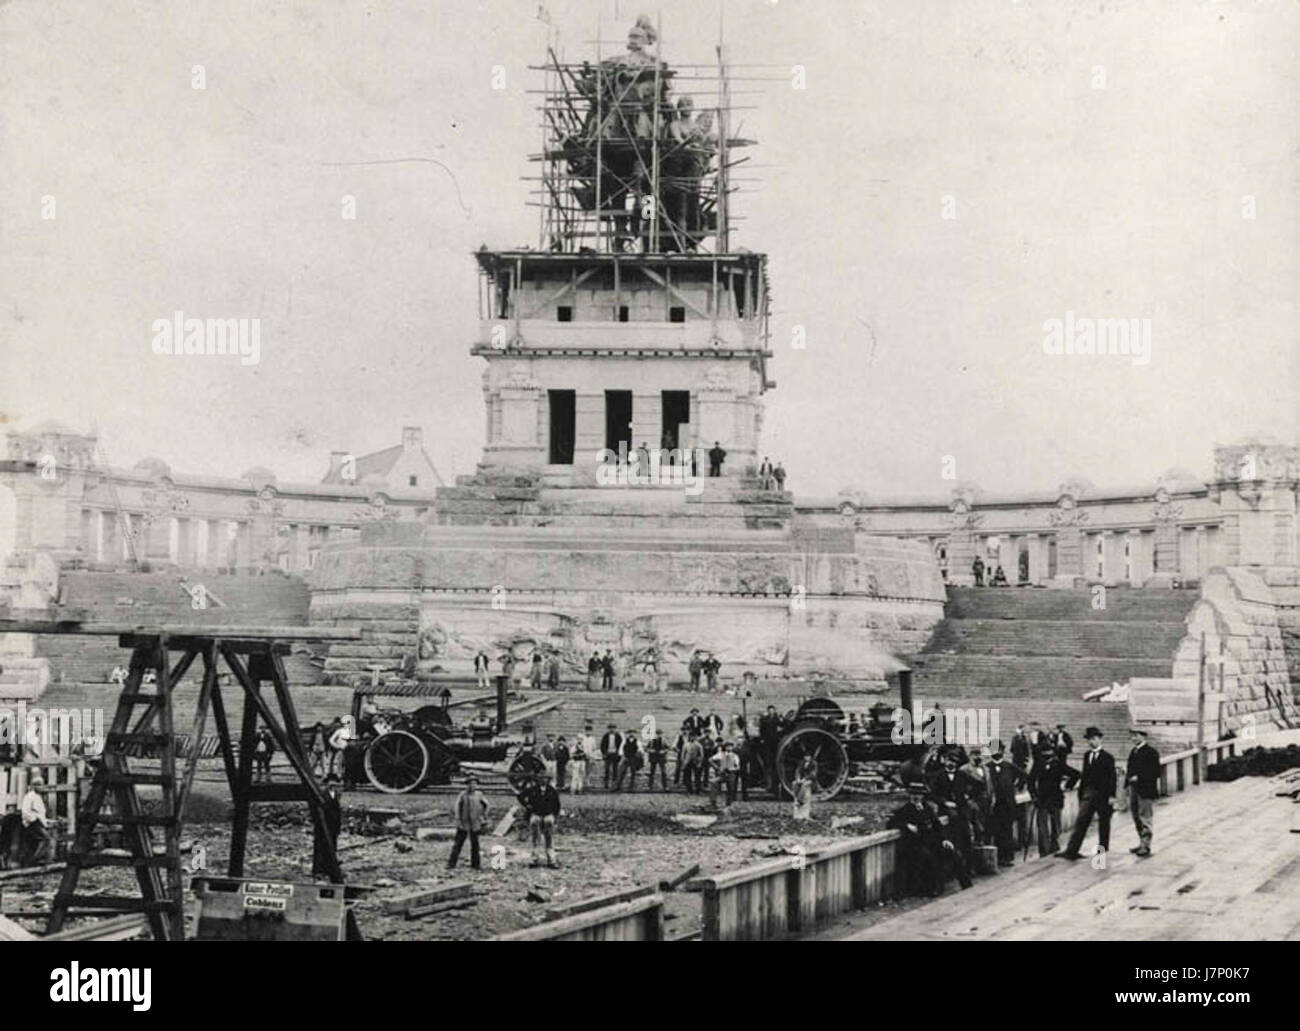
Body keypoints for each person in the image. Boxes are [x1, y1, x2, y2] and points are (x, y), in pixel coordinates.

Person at [1059, 726, 1116, 860]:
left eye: (1094, 739)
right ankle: (1072, 850)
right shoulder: (1087, 755)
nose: (1092, 742)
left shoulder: (1108, 757)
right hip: (1089, 794)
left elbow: (1112, 778)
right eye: (1089, 739)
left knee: (1104, 823)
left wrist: (1112, 796)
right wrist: (1081, 793)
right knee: (1081, 821)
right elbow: (1084, 776)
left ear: (1100, 740)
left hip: (1103, 795)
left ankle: (1102, 849)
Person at [1028, 745, 1078, 856]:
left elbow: (1075, 774)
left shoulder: (1058, 764)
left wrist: (1067, 786)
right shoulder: (1038, 765)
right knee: (1042, 826)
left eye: (1049, 753)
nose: (1046, 756)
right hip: (1042, 799)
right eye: (1044, 753)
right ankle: (1044, 851)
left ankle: (1054, 846)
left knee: (1056, 826)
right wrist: (1034, 795)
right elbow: (1030, 781)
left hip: (1055, 798)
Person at [985, 743, 1026, 867]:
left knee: (1007, 829)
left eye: (998, 749)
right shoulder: (987, 767)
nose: (996, 752)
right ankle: (997, 858)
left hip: (1008, 804)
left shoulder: (1009, 766)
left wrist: (1016, 787)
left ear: (1003, 751)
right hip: (994, 804)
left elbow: (1023, 776)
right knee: (995, 830)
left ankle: (1007, 857)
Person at [1125, 728, 1161, 857]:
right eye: (1132, 736)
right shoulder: (1134, 751)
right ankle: (1141, 842)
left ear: (1143, 737)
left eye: (1136, 736)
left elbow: (1156, 772)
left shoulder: (1151, 752)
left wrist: (1139, 777)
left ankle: (1146, 845)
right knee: (1136, 817)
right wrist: (1126, 784)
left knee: (1145, 817)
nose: (1133, 738)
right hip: (1134, 789)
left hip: (1146, 789)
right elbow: (1129, 769)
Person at [517, 769, 562, 868]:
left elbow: (557, 805)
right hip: (536, 814)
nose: (543, 780)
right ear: (538, 779)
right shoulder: (533, 789)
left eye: (545, 778)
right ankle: (535, 859)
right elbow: (520, 796)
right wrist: (527, 805)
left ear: (548, 780)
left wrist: (554, 815)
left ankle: (551, 859)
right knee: (535, 836)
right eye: (541, 778)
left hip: (548, 815)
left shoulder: (552, 790)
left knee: (549, 837)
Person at [448, 775, 490, 870]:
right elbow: (457, 808)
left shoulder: (479, 795)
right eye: (470, 784)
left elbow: (486, 805)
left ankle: (475, 864)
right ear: (467, 785)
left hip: (475, 823)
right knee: (458, 844)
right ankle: (451, 863)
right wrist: (458, 821)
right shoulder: (462, 795)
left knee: (475, 845)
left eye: (474, 784)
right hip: (464, 823)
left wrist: (483, 817)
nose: (472, 786)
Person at [19, 774, 50, 866]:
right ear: (34, 786)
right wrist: (34, 820)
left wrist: (46, 821)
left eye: (42, 785)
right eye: (39, 785)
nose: (42, 787)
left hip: (38, 822)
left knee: (33, 843)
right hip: (32, 823)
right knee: (46, 839)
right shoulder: (29, 796)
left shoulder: (38, 797)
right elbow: (25, 811)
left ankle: (30, 862)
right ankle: (35, 859)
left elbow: (40, 813)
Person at [758, 705, 782, 793]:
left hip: (775, 741)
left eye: (772, 710)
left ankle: (773, 785)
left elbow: (782, 725)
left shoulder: (777, 719)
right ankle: (769, 784)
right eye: (769, 711)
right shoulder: (764, 719)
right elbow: (761, 730)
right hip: (767, 741)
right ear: (768, 711)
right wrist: (762, 739)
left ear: (774, 711)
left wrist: (782, 719)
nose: (771, 712)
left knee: (774, 761)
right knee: (768, 762)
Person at [599, 724, 622, 789]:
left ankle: (614, 784)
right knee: (607, 769)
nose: (612, 729)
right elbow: (602, 745)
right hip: (607, 754)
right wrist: (604, 753)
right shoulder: (606, 736)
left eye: (613, 728)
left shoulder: (618, 736)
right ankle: (606, 784)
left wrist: (619, 754)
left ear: (615, 729)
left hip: (615, 754)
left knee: (615, 769)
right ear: (609, 729)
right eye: (610, 728)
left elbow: (621, 745)